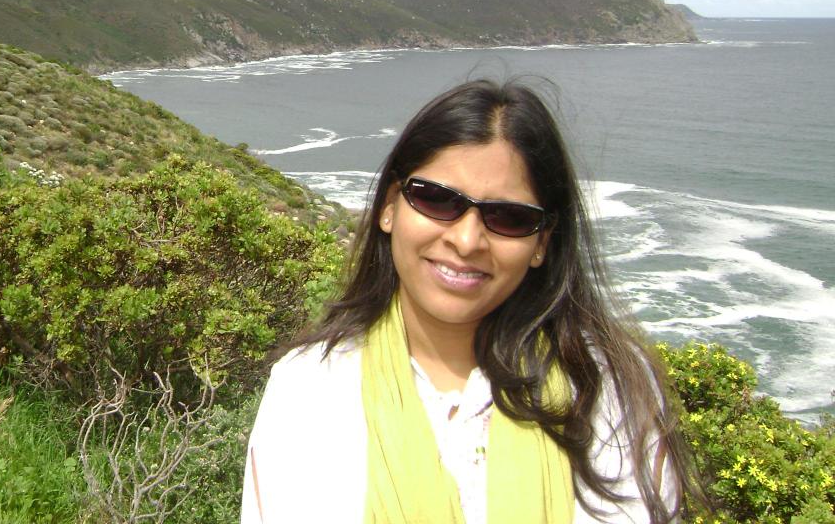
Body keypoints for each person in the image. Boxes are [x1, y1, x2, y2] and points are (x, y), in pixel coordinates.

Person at [241, 79, 695, 524]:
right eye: (437, 199)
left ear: (542, 243)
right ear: (389, 207)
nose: (466, 240)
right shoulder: (311, 388)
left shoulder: (604, 392)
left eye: (509, 217)